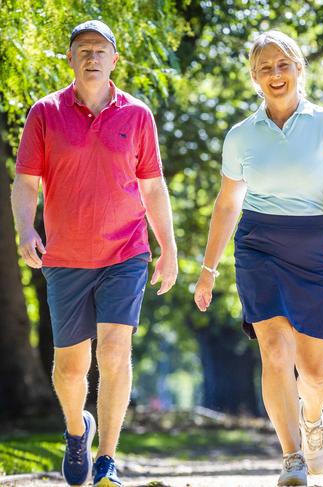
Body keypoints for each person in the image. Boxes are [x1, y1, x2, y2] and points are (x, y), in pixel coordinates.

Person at [11, 20, 178, 487]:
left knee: (114, 350)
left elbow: (153, 186)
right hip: (64, 258)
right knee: (70, 367)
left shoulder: (137, 114)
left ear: (114, 60)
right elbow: (25, 183)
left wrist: (169, 248)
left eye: (100, 50)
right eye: (83, 49)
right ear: (70, 59)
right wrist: (26, 228)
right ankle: (75, 430)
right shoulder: (45, 113)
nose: (91, 57)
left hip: (125, 252)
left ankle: (107, 457)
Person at [192, 30, 323, 486]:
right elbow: (227, 205)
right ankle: (291, 458)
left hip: (317, 243)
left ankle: (312, 417)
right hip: (260, 244)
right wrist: (207, 272)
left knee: (318, 373)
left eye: (283, 64)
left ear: (299, 69)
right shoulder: (241, 136)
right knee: (274, 350)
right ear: (254, 77)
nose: (275, 74)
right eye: (265, 68)